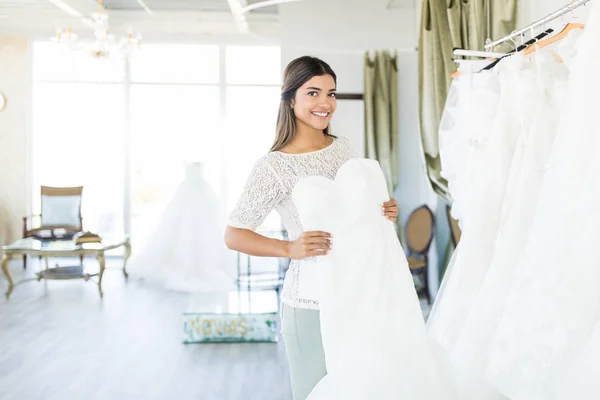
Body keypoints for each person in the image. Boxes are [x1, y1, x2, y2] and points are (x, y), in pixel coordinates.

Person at [224, 56, 398, 400]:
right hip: (311, 303)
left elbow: (352, 212)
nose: (325, 103)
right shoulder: (273, 166)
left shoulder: (344, 148)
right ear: (291, 99)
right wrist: (289, 248)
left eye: (331, 94)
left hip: (358, 294)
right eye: (313, 93)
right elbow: (234, 234)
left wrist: (383, 210)